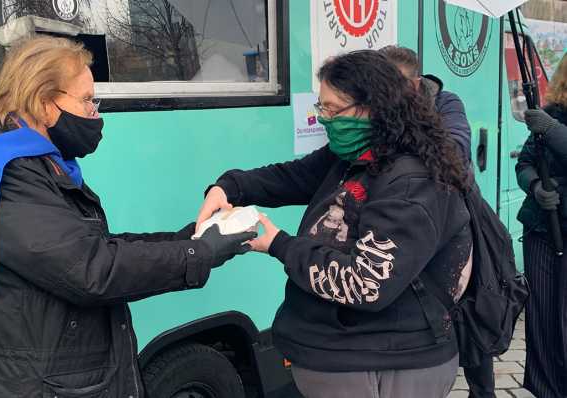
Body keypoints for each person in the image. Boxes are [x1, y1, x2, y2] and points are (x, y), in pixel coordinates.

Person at [0, 36, 255, 398]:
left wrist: (191, 238)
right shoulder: (9, 173)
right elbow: (92, 270)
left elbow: (92, 248)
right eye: (87, 100)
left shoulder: (36, 162)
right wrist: (200, 255)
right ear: (44, 103)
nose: (96, 113)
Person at [196, 50, 473, 398]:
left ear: (376, 107)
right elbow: (291, 176)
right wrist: (230, 187)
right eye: (320, 107)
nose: (324, 119)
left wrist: (279, 244)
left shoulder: (410, 182)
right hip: (342, 351)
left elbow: (366, 283)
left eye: (332, 109)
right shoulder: (353, 154)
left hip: (387, 361)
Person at [380, 45, 496, 398]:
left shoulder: (446, 103)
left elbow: (457, 153)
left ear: (414, 86)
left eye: (391, 87)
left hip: (454, 229)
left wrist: (408, 126)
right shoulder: (377, 109)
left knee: (470, 319)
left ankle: (483, 391)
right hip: (408, 228)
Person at [515, 53, 567, 398]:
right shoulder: (551, 113)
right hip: (542, 230)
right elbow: (525, 162)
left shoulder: (550, 123)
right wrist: (535, 186)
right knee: (543, 317)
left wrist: (553, 131)